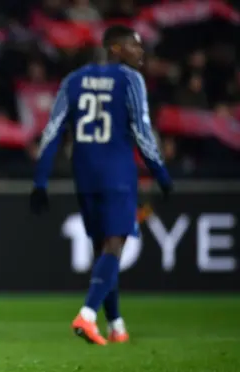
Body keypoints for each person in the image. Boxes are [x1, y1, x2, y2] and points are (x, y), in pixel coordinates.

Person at [29, 25, 173, 345]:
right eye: (135, 46)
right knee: (115, 244)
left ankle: (116, 325)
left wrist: (41, 181)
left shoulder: (73, 81)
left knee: (102, 249)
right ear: (116, 49)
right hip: (118, 174)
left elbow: (52, 133)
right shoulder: (130, 79)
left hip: (85, 175)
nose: (141, 53)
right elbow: (143, 133)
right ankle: (88, 314)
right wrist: (162, 175)